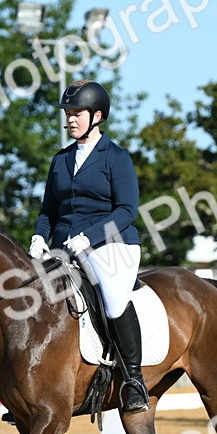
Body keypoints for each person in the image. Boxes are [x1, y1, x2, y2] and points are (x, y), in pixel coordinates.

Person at [29, 80, 149, 413]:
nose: (69, 119)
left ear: (97, 116)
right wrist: (39, 236)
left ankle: (134, 380)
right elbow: (49, 211)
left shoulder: (116, 157)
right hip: (64, 249)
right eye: (67, 114)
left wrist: (89, 237)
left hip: (111, 245)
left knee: (112, 300)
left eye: (76, 113)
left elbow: (126, 210)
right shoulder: (61, 159)